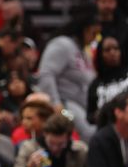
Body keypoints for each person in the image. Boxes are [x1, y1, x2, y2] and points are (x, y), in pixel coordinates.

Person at [37, 8, 100, 142]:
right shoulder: (62, 44)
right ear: (84, 29)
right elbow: (46, 74)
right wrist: (55, 103)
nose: (95, 38)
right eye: (93, 33)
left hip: (83, 104)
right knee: (89, 133)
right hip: (65, 104)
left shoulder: (81, 50)